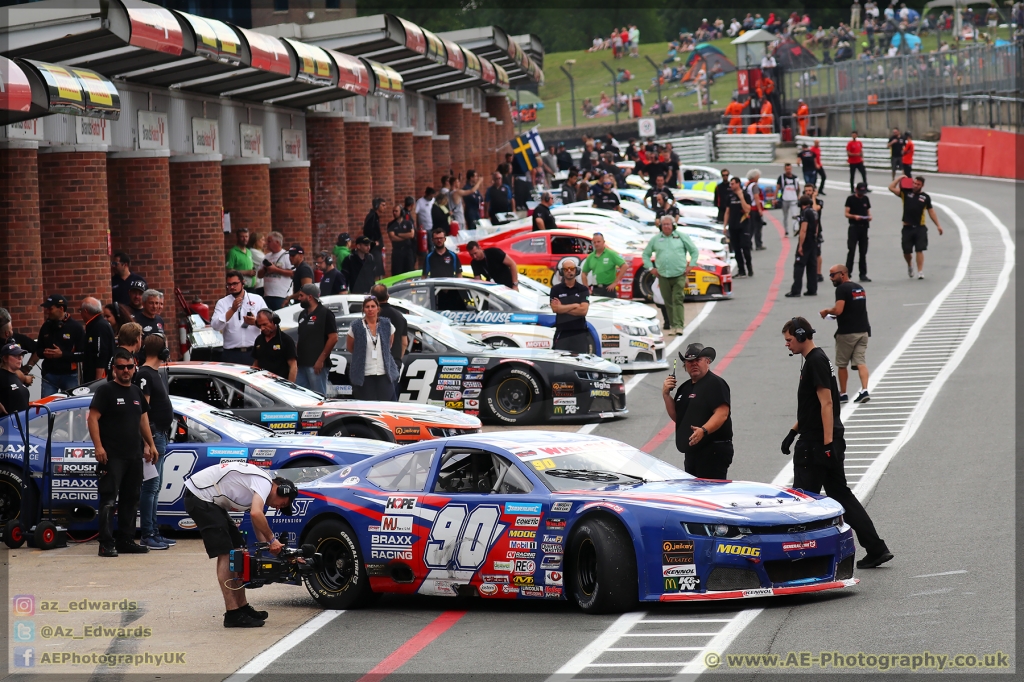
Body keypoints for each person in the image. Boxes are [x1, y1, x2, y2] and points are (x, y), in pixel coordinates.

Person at [780, 317, 893, 569]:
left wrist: (827, 444)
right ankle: (876, 547)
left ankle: (803, 561)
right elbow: (812, 407)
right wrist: (793, 430)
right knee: (842, 497)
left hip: (816, 445)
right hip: (821, 440)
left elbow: (827, 403)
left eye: (789, 340)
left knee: (803, 502)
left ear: (800, 336)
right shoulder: (815, 360)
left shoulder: (815, 362)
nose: (787, 345)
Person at [183, 461, 297, 628]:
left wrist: (269, 546)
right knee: (227, 553)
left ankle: (242, 606)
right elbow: (256, 513)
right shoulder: (264, 482)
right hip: (200, 497)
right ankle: (233, 613)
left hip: (208, 500)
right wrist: (272, 540)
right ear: (281, 490)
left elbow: (255, 519)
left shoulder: (260, 486)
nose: (280, 508)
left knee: (238, 551)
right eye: (284, 503)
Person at [88, 347, 158, 557]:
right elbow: (92, 418)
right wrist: (98, 447)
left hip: (134, 455)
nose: (126, 370)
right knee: (109, 500)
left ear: (135, 367)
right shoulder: (106, 391)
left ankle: (126, 540)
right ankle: (106, 543)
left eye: (129, 366)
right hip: (112, 456)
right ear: (114, 369)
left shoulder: (137, 392)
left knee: (131, 498)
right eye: (121, 367)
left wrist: (150, 444)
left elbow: (143, 419)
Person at [661, 343, 733, 479]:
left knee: (709, 493)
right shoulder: (684, 388)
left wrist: (703, 430)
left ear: (707, 361)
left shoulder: (715, 383)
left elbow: (722, 413)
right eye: (690, 361)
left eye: (698, 360)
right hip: (692, 451)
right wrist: (666, 395)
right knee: (694, 494)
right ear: (685, 365)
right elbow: (679, 418)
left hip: (713, 450)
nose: (694, 364)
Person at [137, 334, 175, 550]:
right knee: (150, 486)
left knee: (156, 486)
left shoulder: (152, 374)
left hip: (159, 435)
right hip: (154, 437)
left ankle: (154, 531)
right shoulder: (145, 375)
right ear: (163, 353)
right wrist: (147, 442)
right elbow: (144, 413)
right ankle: (148, 533)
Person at [821, 265, 871, 403]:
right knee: (860, 361)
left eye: (833, 275)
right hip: (863, 330)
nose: (831, 278)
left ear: (842, 274)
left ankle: (843, 393)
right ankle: (864, 390)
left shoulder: (842, 289)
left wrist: (826, 311)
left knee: (842, 364)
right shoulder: (859, 288)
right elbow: (853, 309)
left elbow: (838, 310)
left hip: (847, 333)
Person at [642, 216, 699, 335]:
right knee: (667, 302)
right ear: (660, 226)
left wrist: (690, 266)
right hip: (663, 275)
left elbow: (694, 251)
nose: (666, 226)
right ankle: (673, 326)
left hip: (679, 274)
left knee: (677, 299)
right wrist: (651, 268)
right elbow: (646, 255)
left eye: (668, 224)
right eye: (664, 224)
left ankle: (679, 326)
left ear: (673, 225)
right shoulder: (656, 239)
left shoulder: (681, 237)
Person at [26, 294, 84, 397]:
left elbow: (83, 354)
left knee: (73, 408)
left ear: (61, 308)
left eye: (50, 308)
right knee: (46, 407)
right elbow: (38, 349)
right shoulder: (46, 326)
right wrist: (45, 353)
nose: (47, 311)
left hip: (69, 375)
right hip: (49, 375)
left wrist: (62, 354)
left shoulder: (76, 328)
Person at [346, 295, 400, 400]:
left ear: (378, 308)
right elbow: (350, 347)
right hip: (365, 373)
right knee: (368, 404)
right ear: (363, 309)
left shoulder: (386, 324)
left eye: (373, 306)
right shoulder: (356, 326)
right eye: (367, 307)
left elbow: (389, 344)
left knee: (388, 404)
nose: (370, 309)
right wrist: (360, 354)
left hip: (383, 372)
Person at [889, 175, 942, 279]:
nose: (916, 186)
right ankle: (910, 265)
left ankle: (920, 271)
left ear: (922, 186)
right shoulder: (905, 193)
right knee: (906, 251)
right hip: (907, 227)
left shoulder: (925, 197)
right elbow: (891, 188)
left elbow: (931, 211)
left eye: (918, 184)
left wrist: (938, 225)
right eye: (914, 183)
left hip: (920, 227)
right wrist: (900, 178)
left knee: (919, 249)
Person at [212, 270, 266, 365]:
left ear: (243, 283)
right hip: (231, 353)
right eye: (229, 285)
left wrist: (255, 322)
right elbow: (215, 326)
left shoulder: (257, 299)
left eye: (235, 284)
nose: (232, 287)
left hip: (254, 352)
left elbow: (270, 323)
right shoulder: (222, 303)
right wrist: (232, 310)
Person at [294, 284, 338, 395]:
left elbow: (333, 338)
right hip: (302, 363)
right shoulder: (302, 314)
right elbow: (301, 337)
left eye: (301, 295)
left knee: (318, 397)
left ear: (310, 297)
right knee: (299, 396)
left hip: (316, 365)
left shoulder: (326, 313)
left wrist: (320, 360)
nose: (299, 298)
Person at [549, 259, 591, 353]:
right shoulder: (555, 290)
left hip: (579, 333)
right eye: (566, 269)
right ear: (562, 272)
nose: (569, 271)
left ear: (576, 270)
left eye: (571, 268)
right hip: (562, 333)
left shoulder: (583, 289)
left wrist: (562, 308)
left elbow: (583, 311)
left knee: (581, 362)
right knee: (560, 363)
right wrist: (575, 305)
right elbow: (555, 308)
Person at [786, 194, 820, 297]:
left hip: (806, 241)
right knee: (812, 266)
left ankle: (796, 290)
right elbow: (817, 228)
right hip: (813, 241)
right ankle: (812, 289)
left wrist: (800, 245)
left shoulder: (805, 213)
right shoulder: (814, 212)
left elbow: (803, 229)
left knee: (799, 265)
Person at [251, 309, 297, 382]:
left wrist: (290, 386)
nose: (262, 328)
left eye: (265, 324)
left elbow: (293, 366)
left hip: (280, 384)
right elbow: (256, 363)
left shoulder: (286, 340)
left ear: (274, 321)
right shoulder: (259, 339)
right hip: (261, 383)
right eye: (260, 325)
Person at [370, 285, 408, 366]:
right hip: (394, 362)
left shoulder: (371, 315)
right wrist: (397, 359)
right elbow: (404, 343)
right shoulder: (399, 316)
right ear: (388, 296)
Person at [581, 232, 628, 298]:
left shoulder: (611, 254)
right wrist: (586, 288)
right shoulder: (591, 257)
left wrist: (615, 282)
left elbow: (624, 266)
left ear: (603, 242)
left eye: (598, 242)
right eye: (594, 242)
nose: (596, 244)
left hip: (609, 289)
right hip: (596, 289)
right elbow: (584, 273)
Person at [723, 177, 753, 278]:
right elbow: (727, 212)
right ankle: (741, 270)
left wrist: (741, 198)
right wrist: (725, 226)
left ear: (738, 184)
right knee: (736, 249)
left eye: (733, 184)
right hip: (733, 226)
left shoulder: (745, 195)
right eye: (730, 184)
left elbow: (747, 209)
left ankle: (749, 267)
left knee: (745, 248)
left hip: (743, 226)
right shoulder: (729, 196)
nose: (731, 186)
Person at [844, 183, 873, 281]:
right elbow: (846, 213)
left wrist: (869, 217)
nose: (861, 194)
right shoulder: (850, 199)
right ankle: (848, 274)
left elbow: (868, 211)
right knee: (851, 251)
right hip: (854, 227)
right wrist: (854, 217)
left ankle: (863, 274)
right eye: (860, 192)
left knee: (863, 252)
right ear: (856, 190)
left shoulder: (865, 199)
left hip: (864, 227)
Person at [257, 231, 292, 310]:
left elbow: (292, 273)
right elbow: (259, 275)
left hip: (281, 295)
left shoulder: (286, 255)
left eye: (269, 241)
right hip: (267, 295)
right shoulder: (266, 256)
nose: (266, 243)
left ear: (277, 242)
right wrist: (265, 269)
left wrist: (276, 269)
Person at [0, 343, 30, 416]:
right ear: (5, 358)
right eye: (15, 355)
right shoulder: (1, 374)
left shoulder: (15, 375)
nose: (20, 358)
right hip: (6, 423)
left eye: (21, 355)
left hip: (22, 422)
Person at [386, 204, 416, 276]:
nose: (394, 213)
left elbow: (411, 235)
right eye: (393, 211)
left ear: (401, 212)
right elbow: (393, 237)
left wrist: (399, 234)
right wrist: (406, 236)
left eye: (396, 211)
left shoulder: (408, 223)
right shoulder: (391, 224)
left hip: (408, 250)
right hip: (397, 251)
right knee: (397, 272)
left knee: (410, 271)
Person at [363, 198, 387, 279]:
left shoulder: (375, 217)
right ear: (377, 206)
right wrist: (372, 242)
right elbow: (367, 231)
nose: (385, 207)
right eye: (383, 205)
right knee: (376, 270)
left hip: (376, 248)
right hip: (374, 249)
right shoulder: (372, 216)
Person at [777, 163, 801, 237]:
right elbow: (777, 188)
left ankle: (795, 229)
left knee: (795, 215)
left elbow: (798, 188)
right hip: (785, 199)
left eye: (789, 169)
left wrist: (798, 196)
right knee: (785, 216)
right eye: (787, 169)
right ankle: (786, 231)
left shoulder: (795, 178)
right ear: (785, 169)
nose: (788, 170)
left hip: (793, 199)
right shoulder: (781, 177)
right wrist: (775, 198)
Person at [744, 170, 766, 250]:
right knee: (757, 227)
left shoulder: (747, 185)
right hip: (755, 208)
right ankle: (758, 244)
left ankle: (748, 244)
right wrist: (760, 209)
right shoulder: (755, 186)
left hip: (750, 208)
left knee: (751, 228)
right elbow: (756, 197)